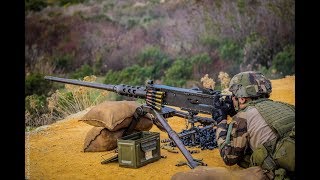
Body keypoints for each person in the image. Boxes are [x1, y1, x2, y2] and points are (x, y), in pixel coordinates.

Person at [171, 71, 295, 180]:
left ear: (241, 99)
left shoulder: (243, 117)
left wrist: (221, 121)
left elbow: (229, 158)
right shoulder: (285, 106)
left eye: (233, 96)